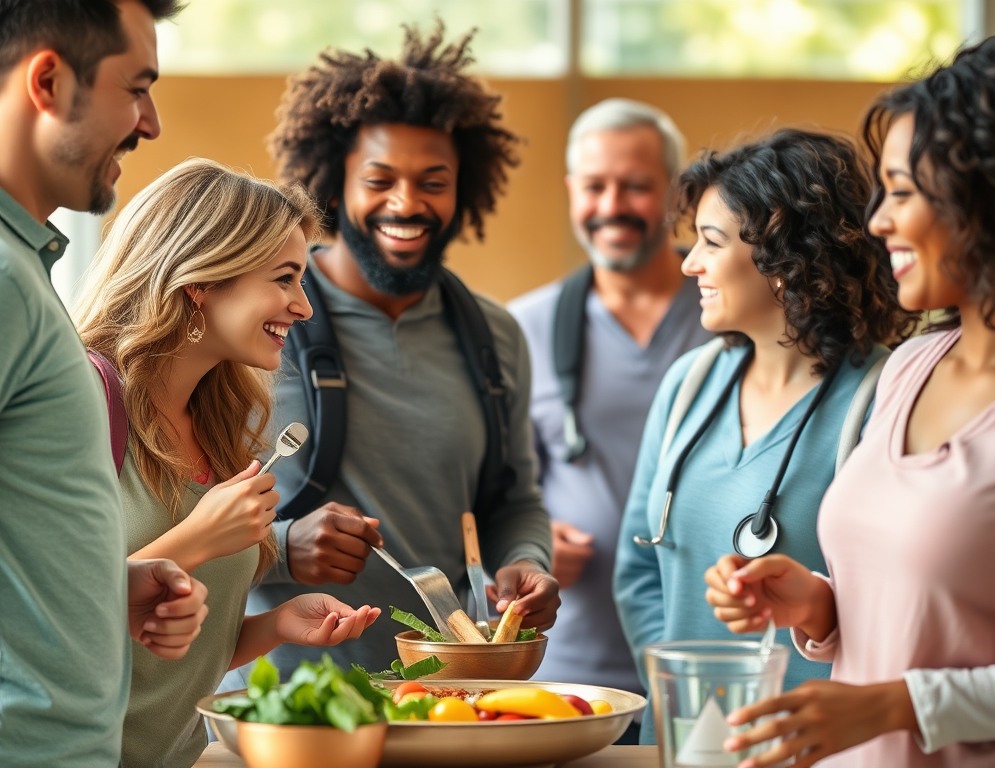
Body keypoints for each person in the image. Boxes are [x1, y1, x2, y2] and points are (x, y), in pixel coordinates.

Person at [224, 24, 559, 681]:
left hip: (446, 698)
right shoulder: (260, 319)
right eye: (379, 179)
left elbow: (513, 498)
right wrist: (286, 547)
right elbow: (177, 505)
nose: (407, 203)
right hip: (285, 698)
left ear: (463, 190)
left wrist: (527, 560)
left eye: (433, 181)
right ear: (333, 186)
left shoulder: (496, 335)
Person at [704, 38, 995, 768]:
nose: (878, 222)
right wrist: (818, 606)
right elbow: (924, 614)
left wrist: (897, 705)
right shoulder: (912, 366)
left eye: (903, 191)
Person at [74, 158, 382, 768]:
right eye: (285, 278)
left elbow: (165, 657)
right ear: (201, 281)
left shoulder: (219, 426)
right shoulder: (82, 402)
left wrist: (275, 627)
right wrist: (197, 538)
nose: (303, 307)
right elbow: (43, 611)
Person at [613, 129, 915, 743]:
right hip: (686, 743)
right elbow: (638, 570)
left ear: (782, 252)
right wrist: (694, 703)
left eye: (711, 242)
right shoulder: (688, 386)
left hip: (810, 748)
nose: (689, 262)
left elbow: (902, 609)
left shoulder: (885, 399)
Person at [0, 3, 212, 768]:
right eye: (136, 88)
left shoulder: (17, 267)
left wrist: (97, 588)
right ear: (48, 81)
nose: (151, 123)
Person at [507, 98, 712, 731]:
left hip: (706, 665)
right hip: (567, 680)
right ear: (572, 191)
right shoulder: (523, 328)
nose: (611, 205)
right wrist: (534, 544)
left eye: (636, 186)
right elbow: (499, 494)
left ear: (676, 194)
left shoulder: (726, 318)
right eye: (595, 186)